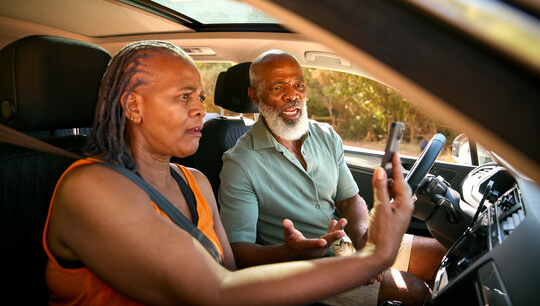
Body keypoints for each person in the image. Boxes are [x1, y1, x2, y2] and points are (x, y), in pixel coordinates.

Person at [42, 40, 414, 305]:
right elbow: (216, 292)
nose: (200, 110)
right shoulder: (89, 186)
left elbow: (233, 273)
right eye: (184, 96)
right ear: (133, 107)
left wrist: (291, 253)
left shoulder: (195, 181)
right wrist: (375, 256)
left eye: (200, 98)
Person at [218, 49, 447, 305]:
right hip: (304, 270)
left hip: (347, 242)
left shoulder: (325, 135)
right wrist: (290, 252)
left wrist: (363, 241)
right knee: (416, 291)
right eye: (278, 87)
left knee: (445, 256)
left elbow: (350, 200)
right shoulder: (239, 163)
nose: (292, 95)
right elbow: (238, 251)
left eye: (298, 85)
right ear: (254, 96)